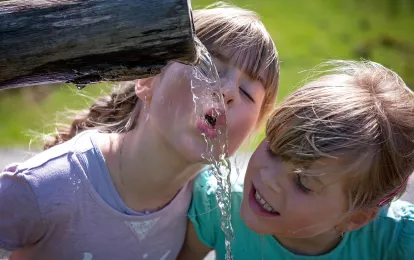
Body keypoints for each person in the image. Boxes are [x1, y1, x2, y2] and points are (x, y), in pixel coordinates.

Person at [0, 3, 279, 260]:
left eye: (246, 92)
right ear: (147, 80)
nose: (228, 92)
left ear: (253, 130)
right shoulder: (47, 185)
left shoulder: (204, 207)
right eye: (210, 69)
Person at [181, 60, 414, 260]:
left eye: (303, 182)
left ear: (354, 218)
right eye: (274, 150)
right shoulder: (218, 209)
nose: (269, 178)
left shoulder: (396, 241)